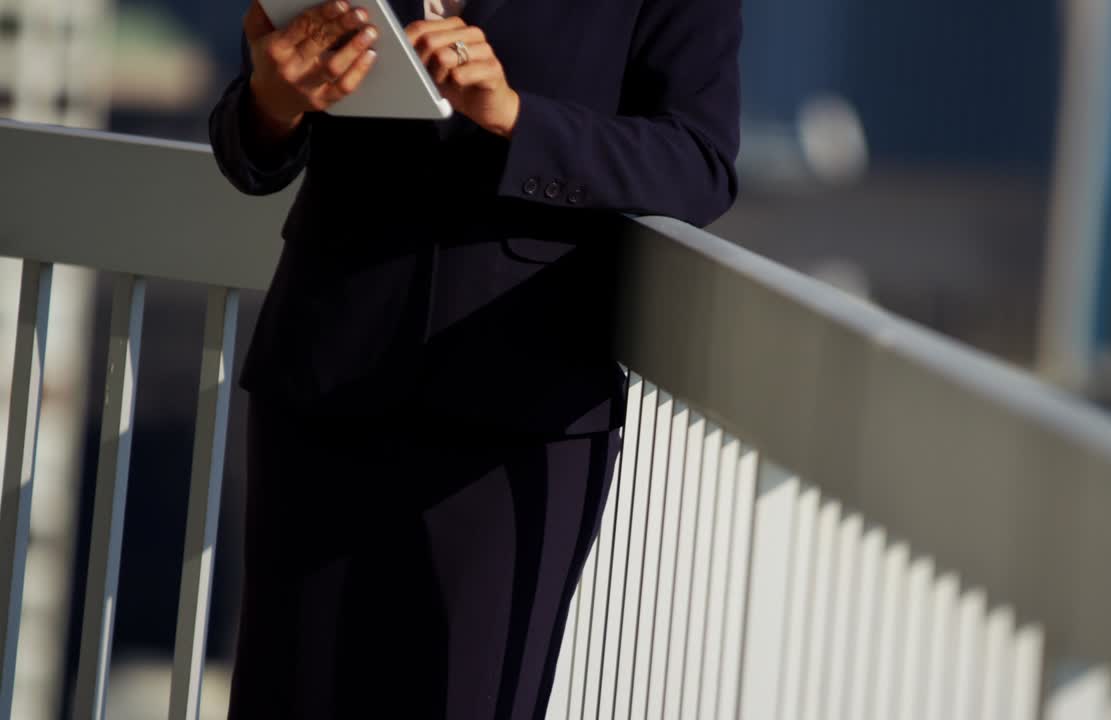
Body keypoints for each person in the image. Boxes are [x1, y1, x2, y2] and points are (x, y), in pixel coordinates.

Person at [208, 0, 739, 714]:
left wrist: (517, 116)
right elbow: (250, 146)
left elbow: (698, 161)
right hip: (323, 376)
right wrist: (271, 103)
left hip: (517, 405)